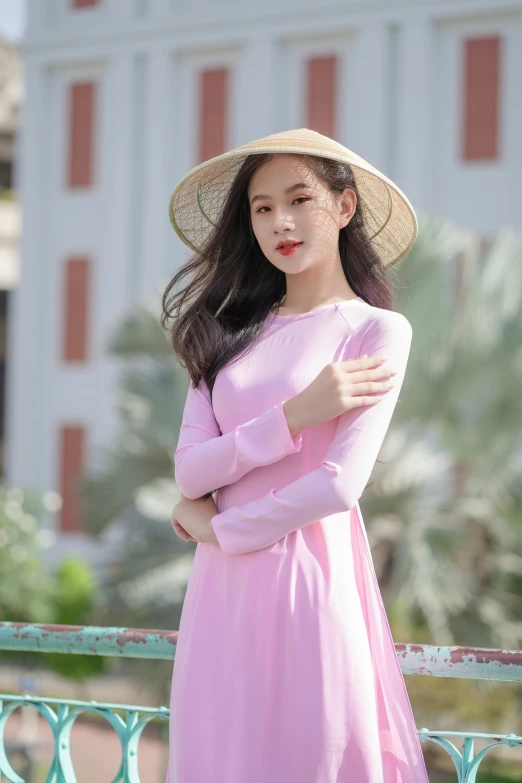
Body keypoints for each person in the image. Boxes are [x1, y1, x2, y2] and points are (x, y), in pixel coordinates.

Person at [161, 128, 430, 782]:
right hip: (220, 594)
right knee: (215, 756)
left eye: (299, 198)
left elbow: (339, 486)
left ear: (343, 206)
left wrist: (219, 528)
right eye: (261, 207)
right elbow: (191, 470)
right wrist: (296, 415)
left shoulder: (375, 330)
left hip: (309, 584)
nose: (280, 221)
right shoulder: (223, 329)